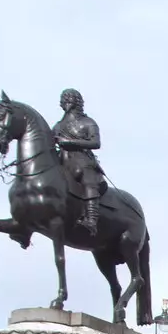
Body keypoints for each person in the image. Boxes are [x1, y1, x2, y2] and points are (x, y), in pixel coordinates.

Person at [53, 88, 106, 234]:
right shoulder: (58, 126)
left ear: (76, 102)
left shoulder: (88, 122)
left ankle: (91, 219)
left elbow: (96, 143)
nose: (63, 104)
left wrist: (70, 143)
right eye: (62, 101)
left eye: (67, 100)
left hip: (82, 160)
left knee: (87, 177)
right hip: (62, 160)